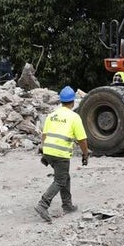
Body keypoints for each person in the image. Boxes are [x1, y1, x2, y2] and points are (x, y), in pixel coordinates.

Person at [35, 86, 90, 223]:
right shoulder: (74, 117)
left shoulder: (52, 115)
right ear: (72, 102)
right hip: (61, 154)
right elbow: (82, 140)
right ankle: (43, 204)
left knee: (65, 176)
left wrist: (44, 152)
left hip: (48, 151)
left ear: (61, 101)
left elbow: (44, 135)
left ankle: (67, 204)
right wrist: (85, 155)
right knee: (60, 180)